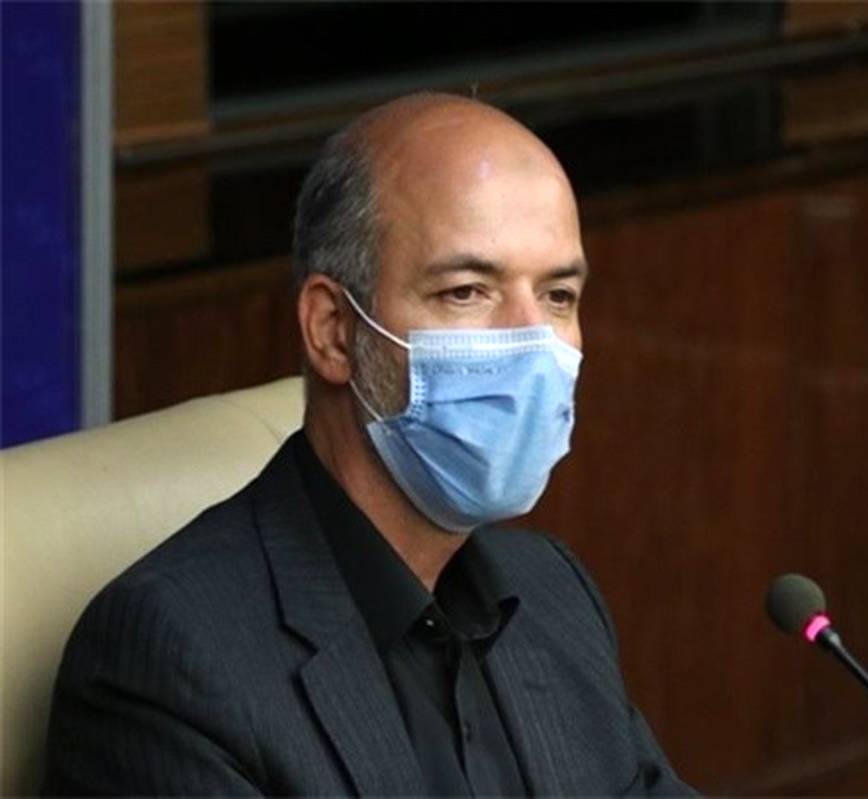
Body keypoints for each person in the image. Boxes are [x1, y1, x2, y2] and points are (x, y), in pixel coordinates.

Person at [43, 93, 693, 796]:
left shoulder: (550, 591)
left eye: (558, 296)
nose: (531, 343)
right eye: (467, 291)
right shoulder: (170, 660)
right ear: (333, 331)